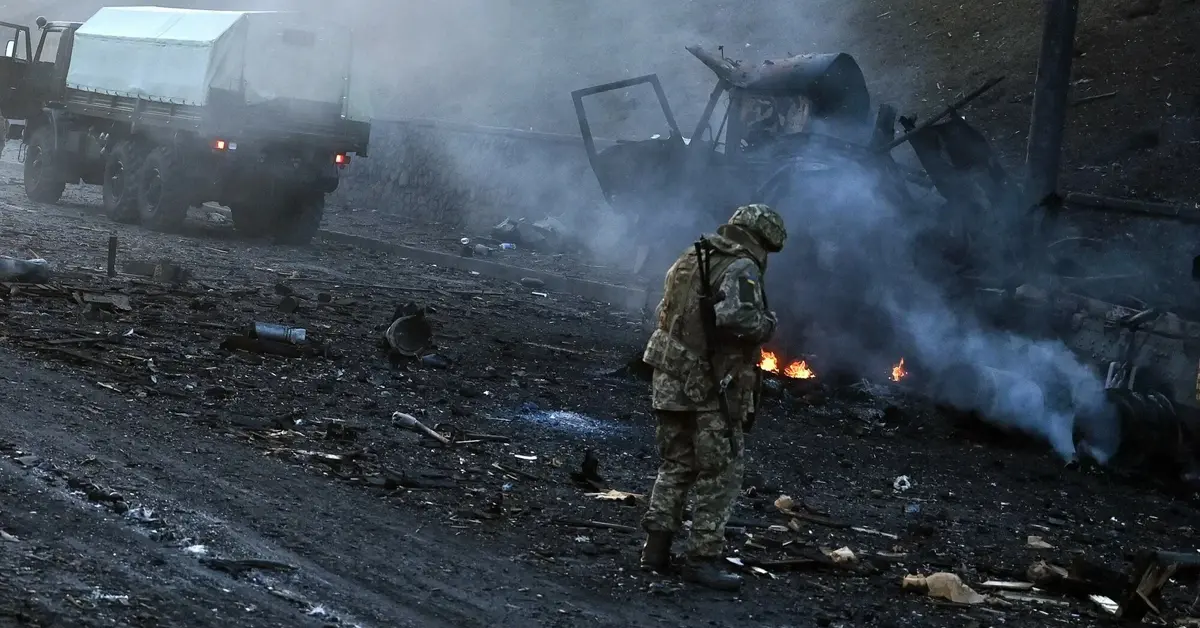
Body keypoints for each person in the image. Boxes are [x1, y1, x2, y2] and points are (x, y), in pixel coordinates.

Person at [639, 203, 787, 591]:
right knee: (720, 471)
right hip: (709, 383)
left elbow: (667, 310)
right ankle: (701, 559)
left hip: (670, 376)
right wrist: (768, 325)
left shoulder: (694, 255)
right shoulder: (741, 266)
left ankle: (655, 551)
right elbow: (738, 319)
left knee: (676, 464)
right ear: (762, 239)